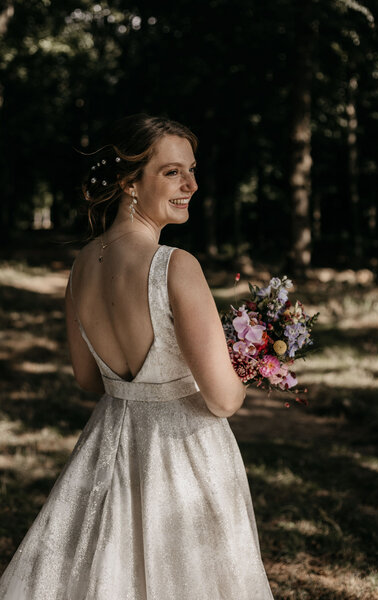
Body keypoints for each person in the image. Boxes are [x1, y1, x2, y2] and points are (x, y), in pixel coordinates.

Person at [0, 114, 274, 599]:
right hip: (184, 452)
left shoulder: (83, 263)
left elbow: (88, 378)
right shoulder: (176, 266)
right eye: (172, 172)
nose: (191, 184)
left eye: (191, 170)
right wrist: (250, 360)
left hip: (111, 442)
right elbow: (225, 400)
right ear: (130, 182)